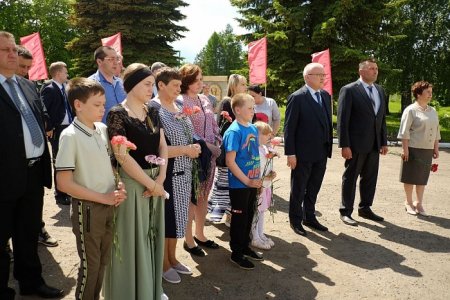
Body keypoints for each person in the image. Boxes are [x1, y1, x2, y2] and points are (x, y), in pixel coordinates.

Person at [0, 30, 63, 300]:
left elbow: (39, 118)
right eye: (6, 50)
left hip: (34, 172)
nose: (13, 54)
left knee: (28, 234)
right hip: (4, 176)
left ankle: (31, 282)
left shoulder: (27, 85)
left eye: (14, 49)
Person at [105, 64, 168, 299]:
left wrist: (160, 178)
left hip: (155, 183)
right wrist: (151, 185)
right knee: (134, 240)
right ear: (131, 86)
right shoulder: (117, 114)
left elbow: (162, 144)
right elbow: (122, 155)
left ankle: (151, 288)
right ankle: (130, 291)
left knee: (151, 236)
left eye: (152, 84)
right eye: (148, 84)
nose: (152, 89)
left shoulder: (152, 110)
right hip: (134, 186)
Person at [150, 67, 201, 284]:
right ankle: (162, 263)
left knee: (178, 219)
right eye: (175, 86)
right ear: (160, 85)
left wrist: (195, 147)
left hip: (184, 172)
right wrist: (185, 150)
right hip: (167, 173)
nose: (179, 89)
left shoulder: (178, 105)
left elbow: (187, 134)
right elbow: (153, 150)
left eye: (180, 85)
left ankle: (172, 258)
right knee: (166, 221)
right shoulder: (153, 109)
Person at [13, 46, 58, 249]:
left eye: (28, 67)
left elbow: (42, 110)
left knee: (33, 206)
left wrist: (46, 122)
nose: (25, 71)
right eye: (21, 66)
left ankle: (37, 229)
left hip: (35, 163)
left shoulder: (30, 86)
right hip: (11, 164)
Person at [337, 58, 388, 226]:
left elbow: (381, 118)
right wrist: (345, 145)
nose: (375, 71)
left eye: (376, 68)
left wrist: (383, 141)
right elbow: (343, 120)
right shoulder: (349, 90)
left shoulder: (380, 90)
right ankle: (346, 211)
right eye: (371, 68)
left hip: (374, 144)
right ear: (361, 71)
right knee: (350, 178)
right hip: (355, 144)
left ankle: (365, 208)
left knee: (370, 178)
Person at [284, 63, 333, 235]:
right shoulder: (297, 97)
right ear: (307, 77)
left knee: (314, 187)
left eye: (324, 74)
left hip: (321, 153)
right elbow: (289, 128)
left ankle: (309, 217)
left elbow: (326, 122)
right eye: (319, 74)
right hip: (302, 154)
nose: (323, 77)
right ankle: (296, 220)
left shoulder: (326, 96)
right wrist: (290, 153)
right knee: (298, 188)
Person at [179, 64, 221, 257]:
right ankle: (188, 240)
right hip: (194, 157)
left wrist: (218, 141)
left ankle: (200, 234)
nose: (200, 83)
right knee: (192, 199)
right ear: (186, 81)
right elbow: (187, 131)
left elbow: (213, 123)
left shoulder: (204, 99)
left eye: (200, 79)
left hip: (210, 157)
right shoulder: (180, 101)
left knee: (204, 195)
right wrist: (207, 145)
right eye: (196, 80)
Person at [224, 93, 263, 270]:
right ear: (238, 110)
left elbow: (255, 155)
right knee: (239, 218)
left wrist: (257, 179)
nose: (253, 111)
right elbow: (230, 161)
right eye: (250, 108)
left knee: (249, 215)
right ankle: (236, 252)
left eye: (254, 107)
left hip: (252, 182)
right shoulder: (234, 131)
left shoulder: (253, 128)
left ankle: (245, 246)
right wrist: (247, 180)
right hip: (240, 184)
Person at [208, 74, 248, 225]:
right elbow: (223, 128)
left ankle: (231, 215)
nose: (246, 87)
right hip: (230, 151)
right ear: (234, 86)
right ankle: (222, 215)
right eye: (243, 84)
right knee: (225, 185)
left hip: (242, 151)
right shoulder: (227, 102)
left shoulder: (245, 102)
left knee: (236, 185)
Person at [398, 81, 440, 216]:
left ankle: (419, 203)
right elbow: (404, 132)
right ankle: (408, 202)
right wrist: (405, 150)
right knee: (410, 177)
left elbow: (436, 131)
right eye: (428, 92)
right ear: (418, 93)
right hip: (413, 148)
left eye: (431, 92)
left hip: (427, 149)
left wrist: (436, 147)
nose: (430, 95)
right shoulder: (410, 110)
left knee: (422, 178)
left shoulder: (432, 111)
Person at [41, 61, 74, 205]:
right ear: (59, 73)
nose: (67, 74)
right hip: (57, 130)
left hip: (68, 127)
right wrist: (49, 127)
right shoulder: (49, 88)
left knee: (69, 159)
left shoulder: (64, 87)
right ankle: (60, 194)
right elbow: (44, 110)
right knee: (60, 161)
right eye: (65, 72)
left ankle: (68, 189)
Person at [251, 121, 277, 250]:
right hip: (259, 185)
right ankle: (255, 237)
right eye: (266, 134)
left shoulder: (264, 148)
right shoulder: (255, 150)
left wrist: (271, 173)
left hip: (265, 185)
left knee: (261, 211)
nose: (269, 137)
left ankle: (260, 234)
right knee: (256, 212)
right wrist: (265, 177)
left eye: (269, 134)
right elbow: (256, 169)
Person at [88, 46, 126, 123]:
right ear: (99, 62)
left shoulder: (122, 83)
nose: (116, 62)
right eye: (111, 59)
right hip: (103, 133)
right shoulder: (90, 85)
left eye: (117, 58)